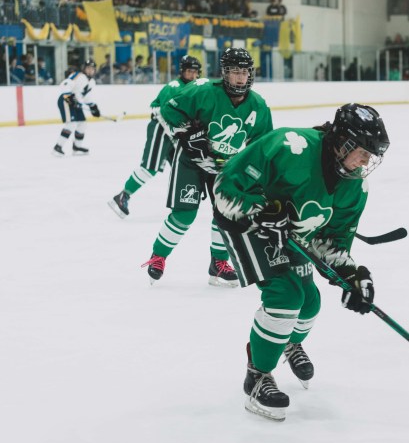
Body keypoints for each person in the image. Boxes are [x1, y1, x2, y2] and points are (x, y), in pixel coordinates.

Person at [212, 104, 390, 421]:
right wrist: (260, 210)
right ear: (343, 143)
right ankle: (257, 375)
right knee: (286, 296)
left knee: (309, 302)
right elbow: (224, 188)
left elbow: (331, 243)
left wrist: (350, 275)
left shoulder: (355, 186)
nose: (365, 162)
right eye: (362, 153)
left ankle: (285, 344)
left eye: (370, 157)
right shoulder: (288, 146)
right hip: (247, 225)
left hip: (292, 233)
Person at [143, 47, 273, 287]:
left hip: (227, 166)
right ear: (225, 73)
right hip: (191, 161)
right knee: (184, 214)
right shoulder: (203, 90)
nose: (240, 78)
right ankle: (158, 256)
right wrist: (188, 132)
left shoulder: (258, 106)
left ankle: (218, 263)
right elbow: (169, 109)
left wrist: (253, 172)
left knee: (225, 213)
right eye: (235, 72)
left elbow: (264, 144)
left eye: (244, 72)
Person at [108, 55, 202, 219]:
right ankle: (123, 195)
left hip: (176, 132)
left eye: (195, 72)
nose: (193, 75)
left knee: (182, 167)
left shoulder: (195, 88)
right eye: (189, 72)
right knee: (150, 167)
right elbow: (158, 111)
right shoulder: (173, 87)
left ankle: (182, 201)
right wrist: (173, 131)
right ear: (182, 72)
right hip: (161, 129)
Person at [53, 59, 100, 156]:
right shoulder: (78, 75)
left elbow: (86, 97)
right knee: (71, 124)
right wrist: (70, 99)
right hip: (65, 101)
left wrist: (93, 107)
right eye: (88, 68)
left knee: (82, 123)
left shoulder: (92, 82)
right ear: (84, 68)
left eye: (92, 69)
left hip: (75, 103)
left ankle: (77, 147)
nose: (90, 70)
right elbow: (65, 85)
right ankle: (57, 147)